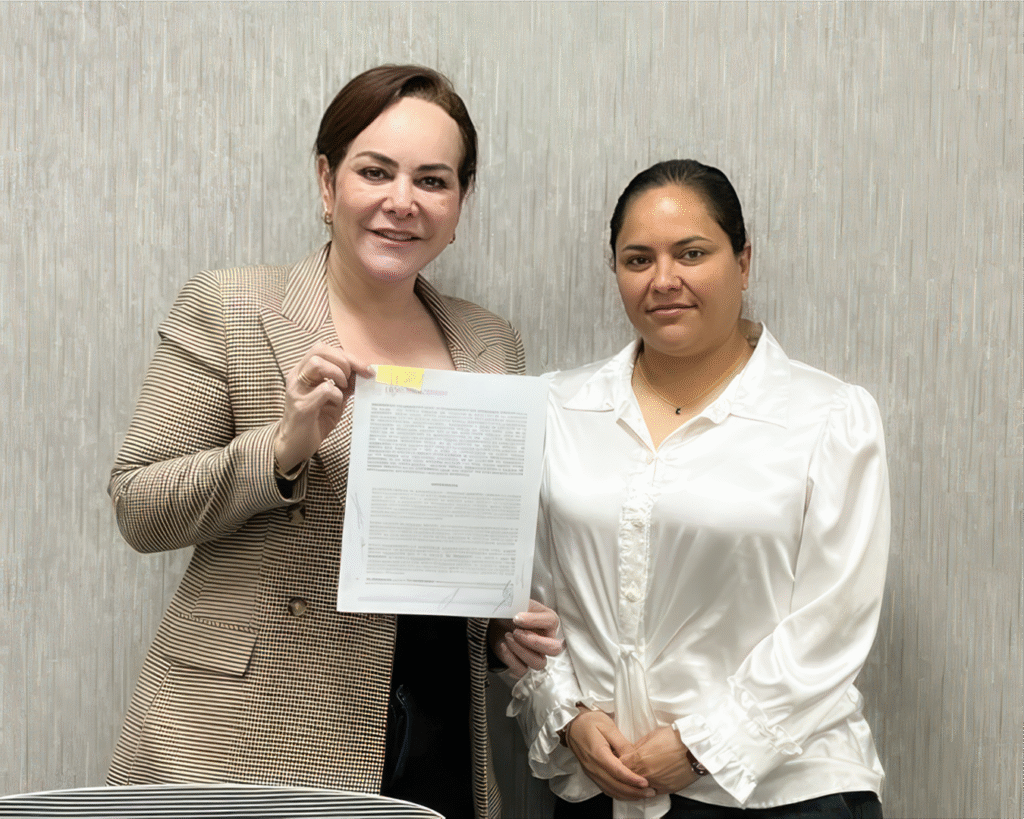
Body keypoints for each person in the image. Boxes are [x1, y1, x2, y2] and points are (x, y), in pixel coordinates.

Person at [106, 64, 559, 819]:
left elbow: (449, 546)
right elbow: (138, 507)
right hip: (243, 732)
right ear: (327, 181)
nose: (402, 201)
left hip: (435, 729)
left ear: (460, 201)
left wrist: (497, 625)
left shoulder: (490, 343)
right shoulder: (230, 307)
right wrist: (283, 446)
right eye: (375, 172)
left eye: (433, 180)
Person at [510, 159, 889, 819]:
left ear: (743, 262)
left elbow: (834, 620)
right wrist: (567, 715)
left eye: (691, 253)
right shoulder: (553, 408)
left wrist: (704, 743)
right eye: (638, 259)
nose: (663, 280)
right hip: (602, 786)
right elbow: (527, 598)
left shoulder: (828, 417)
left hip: (782, 791)